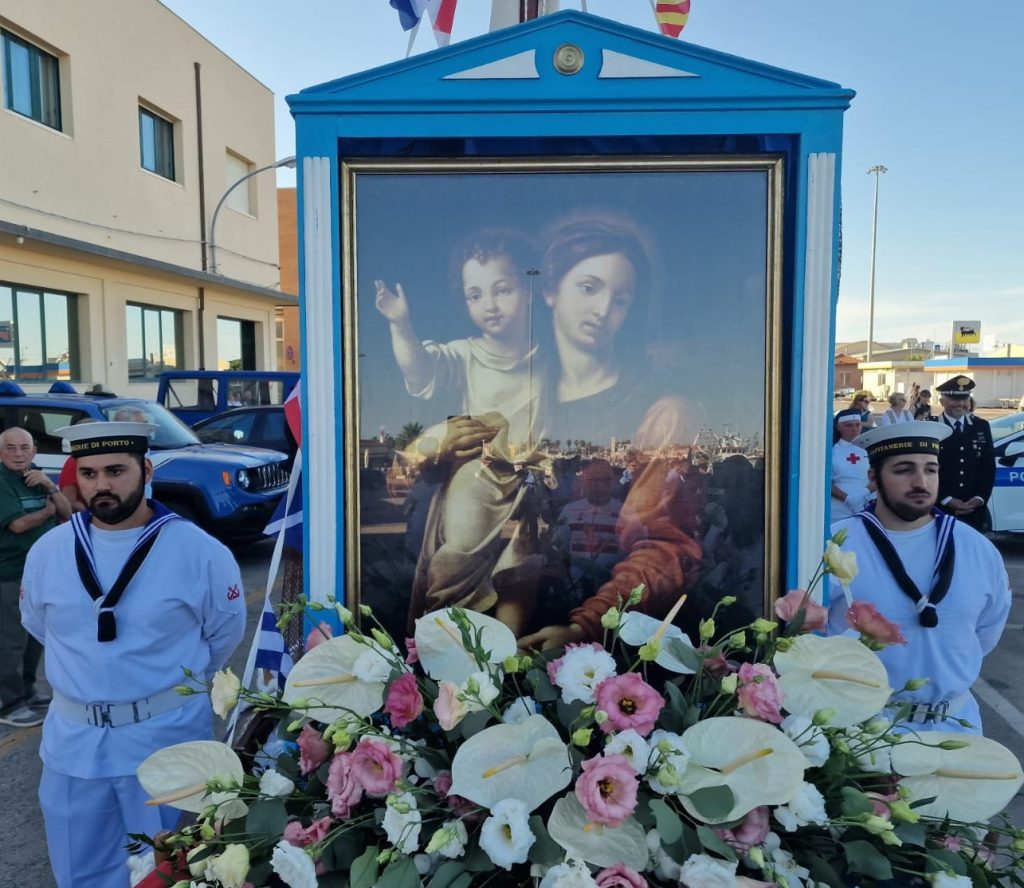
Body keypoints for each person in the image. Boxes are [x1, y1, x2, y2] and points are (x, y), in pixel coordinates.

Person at [20, 421, 246, 887]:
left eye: (116, 471)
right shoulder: (48, 551)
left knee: (171, 873)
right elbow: (41, 626)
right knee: (79, 873)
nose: (101, 485)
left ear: (146, 470)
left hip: (164, 740)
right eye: (89, 474)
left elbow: (223, 635)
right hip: (73, 747)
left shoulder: (199, 551)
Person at [519, 219, 705, 650]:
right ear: (550, 290)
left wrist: (587, 625)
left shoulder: (663, 413)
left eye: (620, 299)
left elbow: (663, 546)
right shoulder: (521, 396)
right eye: (589, 288)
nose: (603, 309)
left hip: (609, 633)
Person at [379, 231, 548, 636]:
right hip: (481, 472)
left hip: (530, 475)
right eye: (476, 295)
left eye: (502, 289)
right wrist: (400, 323)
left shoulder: (547, 356)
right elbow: (419, 368)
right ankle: (447, 630)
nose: (490, 304)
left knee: (521, 569)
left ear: (529, 291)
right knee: (462, 539)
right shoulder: (465, 354)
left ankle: (511, 654)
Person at [826, 421, 1010, 734]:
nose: (920, 482)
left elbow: (985, 631)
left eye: (931, 470)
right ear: (873, 478)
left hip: (957, 727)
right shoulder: (837, 543)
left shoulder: (976, 548)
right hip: (865, 732)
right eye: (903, 470)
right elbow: (814, 633)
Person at [0, 428, 70, 728]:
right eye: (10, 447)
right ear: (0, 452)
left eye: (24, 447)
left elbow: (67, 513)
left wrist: (51, 488)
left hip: (39, 574)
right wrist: (47, 511)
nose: (18, 454)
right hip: (9, 574)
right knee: (11, 641)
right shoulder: (2, 482)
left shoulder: (37, 477)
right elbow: (17, 525)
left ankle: (27, 691)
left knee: (34, 638)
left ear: (34, 451)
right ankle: (9, 703)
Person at [931, 375, 995, 532]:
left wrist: (979, 498)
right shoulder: (931, 427)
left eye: (965, 399)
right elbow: (925, 470)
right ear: (942, 401)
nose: (960, 404)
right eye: (954, 399)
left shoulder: (981, 426)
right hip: (939, 509)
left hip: (974, 510)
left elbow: (988, 467)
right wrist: (946, 500)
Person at [830, 409, 871, 520]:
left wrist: (863, 494)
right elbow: (826, 483)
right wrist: (848, 499)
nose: (855, 429)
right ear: (838, 427)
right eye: (849, 425)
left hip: (866, 505)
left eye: (858, 425)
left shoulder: (869, 448)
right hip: (839, 508)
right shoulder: (832, 451)